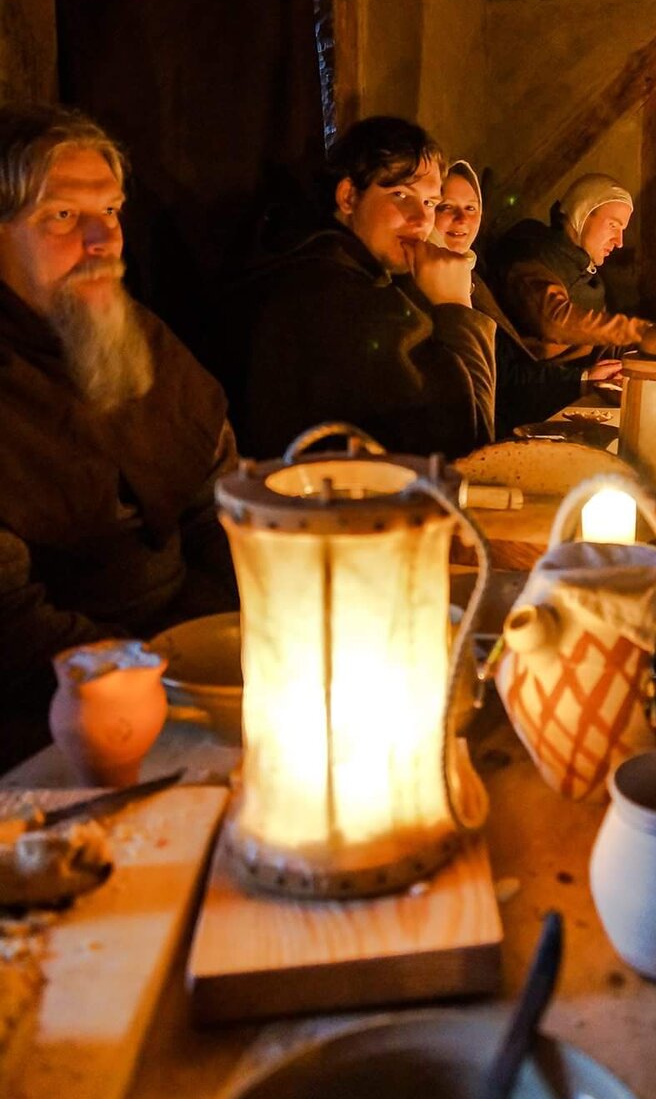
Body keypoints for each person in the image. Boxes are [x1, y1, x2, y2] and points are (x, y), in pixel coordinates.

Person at [0, 103, 237, 765]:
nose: (104, 240)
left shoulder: (139, 337)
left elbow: (220, 503)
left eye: (111, 210)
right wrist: (158, 670)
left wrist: (214, 638)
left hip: (193, 662)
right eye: (64, 216)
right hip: (51, 721)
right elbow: (12, 626)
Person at [216, 116, 496, 461]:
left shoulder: (315, 264)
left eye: (429, 202)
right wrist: (457, 308)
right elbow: (472, 447)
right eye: (400, 194)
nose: (422, 220)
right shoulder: (339, 300)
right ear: (348, 197)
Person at [433, 162, 621, 434]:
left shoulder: (472, 275)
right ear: (583, 213)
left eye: (471, 208)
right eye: (444, 206)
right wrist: (581, 378)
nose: (463, 219)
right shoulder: (530, 257)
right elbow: (551, 325)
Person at [491, 173, 652, 361]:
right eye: (612, 225)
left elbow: (598, 345)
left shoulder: (585, 276)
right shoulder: (531, 255)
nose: (619, 242)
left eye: (622, 230)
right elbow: (554, 320)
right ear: (581, 213)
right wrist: (642, 332)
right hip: (530, 384)